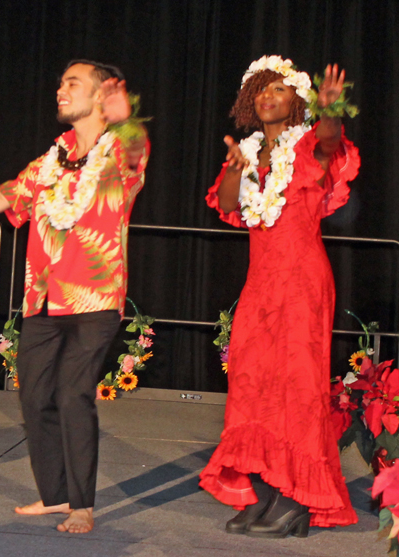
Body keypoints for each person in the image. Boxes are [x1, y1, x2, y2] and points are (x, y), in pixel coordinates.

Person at [0, 60, 150, 534]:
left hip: (95, 298)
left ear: (100, 96)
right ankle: (55, 496)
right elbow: (2, 194)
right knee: (35, 397)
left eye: (72, 84)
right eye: (60, 82)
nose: (60, 90)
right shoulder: (48, 162)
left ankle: (83, 504)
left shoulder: (119, 151)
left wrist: (124, 121)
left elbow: (137, 152)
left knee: (73, 392)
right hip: (42, 299)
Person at [199, 56, 360, 538]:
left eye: (279, 91)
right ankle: (266, 491)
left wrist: (331, 111)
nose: (268, 97)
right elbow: (227, 205)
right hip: (261, 282)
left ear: (297, 102)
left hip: (302, 280)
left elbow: (332, 143)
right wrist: (233, 169)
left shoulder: (308, 145)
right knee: (252, 383)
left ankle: (295, 500)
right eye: (260, 91)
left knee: (296, 388)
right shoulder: (249, 152)